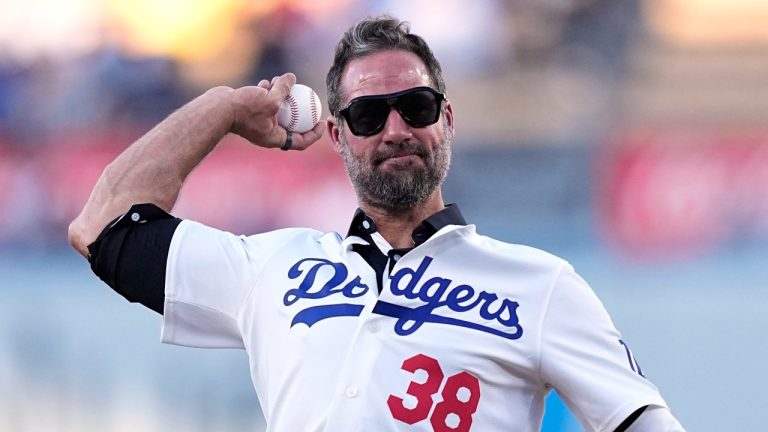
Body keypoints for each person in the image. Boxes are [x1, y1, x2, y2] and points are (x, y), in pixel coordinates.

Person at [68, 15, 684, 432]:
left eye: (414, 107)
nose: (395, 131)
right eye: (367, 116)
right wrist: (223, 108)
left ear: (446, 119)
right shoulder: (271, 268)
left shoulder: (541, 284)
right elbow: (103, 226)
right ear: (336, 135)